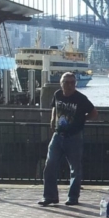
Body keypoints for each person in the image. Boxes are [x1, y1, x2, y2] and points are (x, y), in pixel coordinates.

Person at [38, 72, 98, 206]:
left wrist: (82, 120)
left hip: (74, 137)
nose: (70, 85)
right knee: (50, 165)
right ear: (61, 84)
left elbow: (94, 113)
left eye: (72, 82)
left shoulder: (81, 98)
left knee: (75, 169)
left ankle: (73, 197)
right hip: (58, 136)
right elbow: (54, 107)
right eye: (67, 82)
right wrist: (53, 119)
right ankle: (50, 196)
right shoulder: (57, 94)